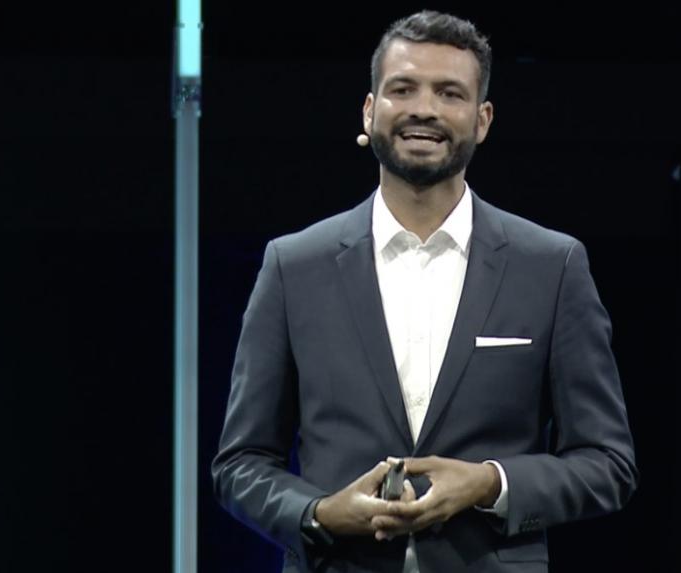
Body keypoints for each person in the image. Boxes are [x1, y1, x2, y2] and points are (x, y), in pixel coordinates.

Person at [212, 10, 638, 573]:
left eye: (449, 93)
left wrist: (489, 483)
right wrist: (319, 513)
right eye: (403, 89)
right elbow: (240, 464)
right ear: (370, 110)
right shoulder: (294, 266)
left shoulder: (551, 266)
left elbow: (608, 463)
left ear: (482, 120)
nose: (424, 109)